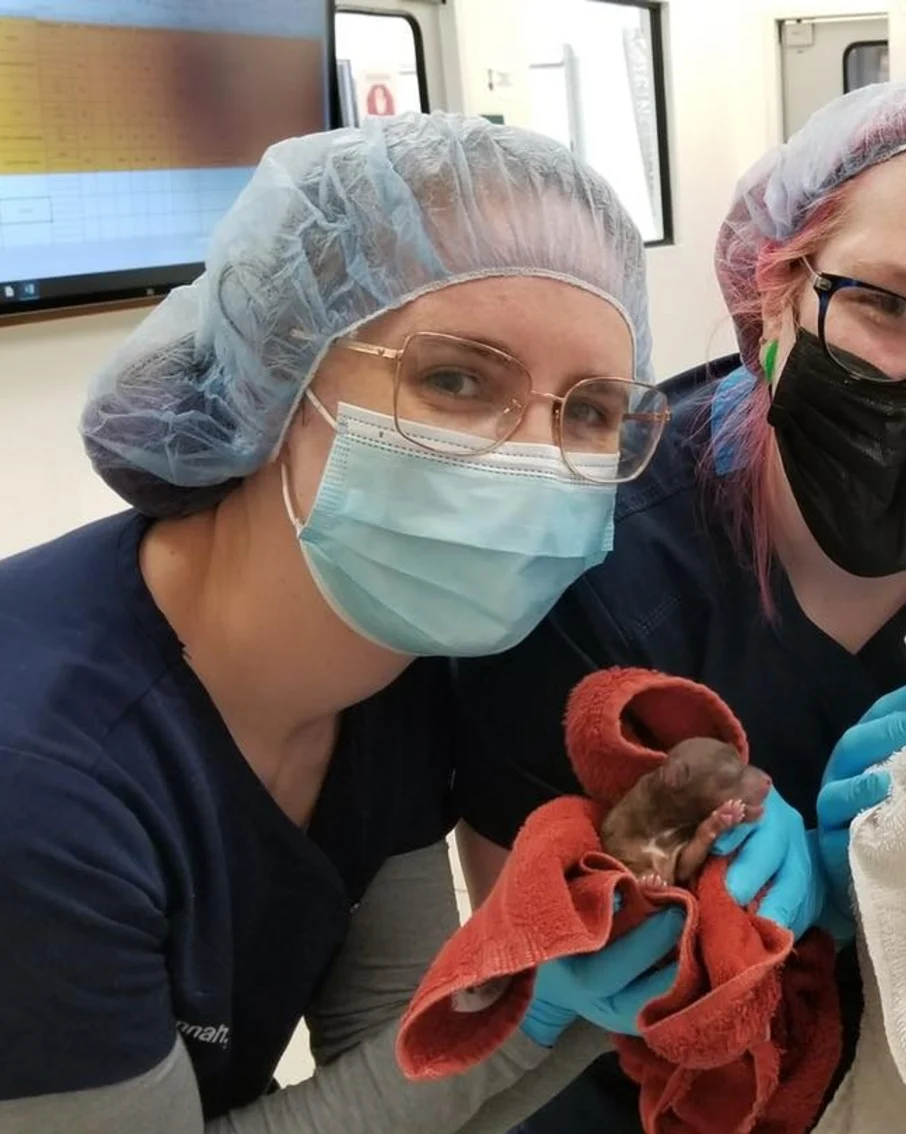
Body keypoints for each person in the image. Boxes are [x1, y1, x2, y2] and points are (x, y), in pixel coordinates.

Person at [449, 73, 906, 1128]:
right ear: (779, 286)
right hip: (643, 1072)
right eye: (887, 304)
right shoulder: (602, 530)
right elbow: (519, 896)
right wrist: (647, 925)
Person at [0, 113, 704, 1132]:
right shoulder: (43, 788)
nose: (537, 462)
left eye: (590, 411)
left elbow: (392, 1032)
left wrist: (568, 998)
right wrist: (533, 1011)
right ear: (279, 375)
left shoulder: (388, 664)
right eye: (458, 379)